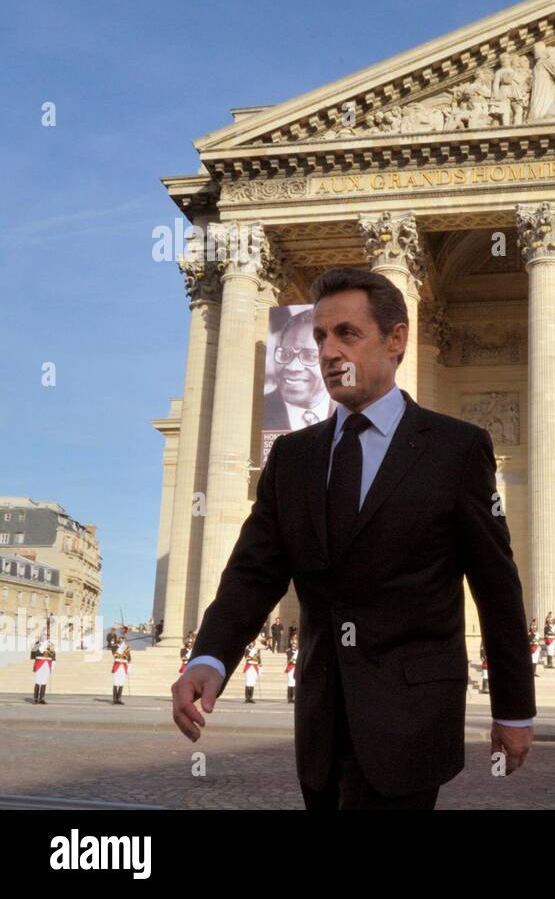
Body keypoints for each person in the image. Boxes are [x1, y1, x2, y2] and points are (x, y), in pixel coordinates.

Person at [171, 266, 534, 810]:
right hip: (321, 718)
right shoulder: (292, 458)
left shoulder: (456, 450)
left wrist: (513, 707)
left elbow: (496, 585)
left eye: (347, 333)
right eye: (319, 336)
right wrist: (210, 658)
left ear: (396, 341)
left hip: (412, 716)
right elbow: (253, 572)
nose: (328, 351)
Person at [263, 307, 334, 430]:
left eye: (309, 356)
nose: (292, 366)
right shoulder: (259, 412)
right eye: (285, 354)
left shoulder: (352, 412)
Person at [31, 634, 55, 705]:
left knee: (44, 681)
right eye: (43, 636)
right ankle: (35, 699)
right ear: (41, 637)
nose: (44, 637)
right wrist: (38, 645)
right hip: (39, 664)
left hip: (47, 664)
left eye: (45, 636)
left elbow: (53, 653)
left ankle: (42, 699)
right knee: (38, 681)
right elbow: (33, 652)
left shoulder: (49, 644)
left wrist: (51, 647)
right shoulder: (37, 643)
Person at [111, 636, 131, 705]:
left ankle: (119, 698)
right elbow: (114, 654)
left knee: (121, 682)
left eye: (123, 639)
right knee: (116, 682)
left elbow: (129, 658)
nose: (122, 640)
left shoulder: (127, 648)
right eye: (121, 639)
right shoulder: (115, 647)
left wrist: (129, 668)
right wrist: (122, 646)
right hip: (117, 666)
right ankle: (114, 699)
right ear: (119, 640)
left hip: (123, 666)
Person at [285, 635, 299, 703]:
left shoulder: (298, 652)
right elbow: (289, 660)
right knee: (291, 682)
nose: (294, 645)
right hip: (291, 667)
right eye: (293, 643)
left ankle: (293, 697)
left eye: (295, 644)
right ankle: (289, 698)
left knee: (294, 682)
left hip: (296, 667)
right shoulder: (289, 651)